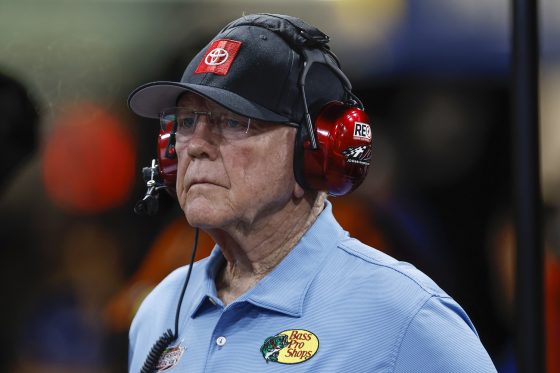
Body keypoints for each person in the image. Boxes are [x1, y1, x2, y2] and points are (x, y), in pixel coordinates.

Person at [127, 13, 496, 372]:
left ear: (315, 152)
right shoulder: (160, 310)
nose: (196, 146)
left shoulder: (404, 316)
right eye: (187, 121)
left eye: (233, 121)